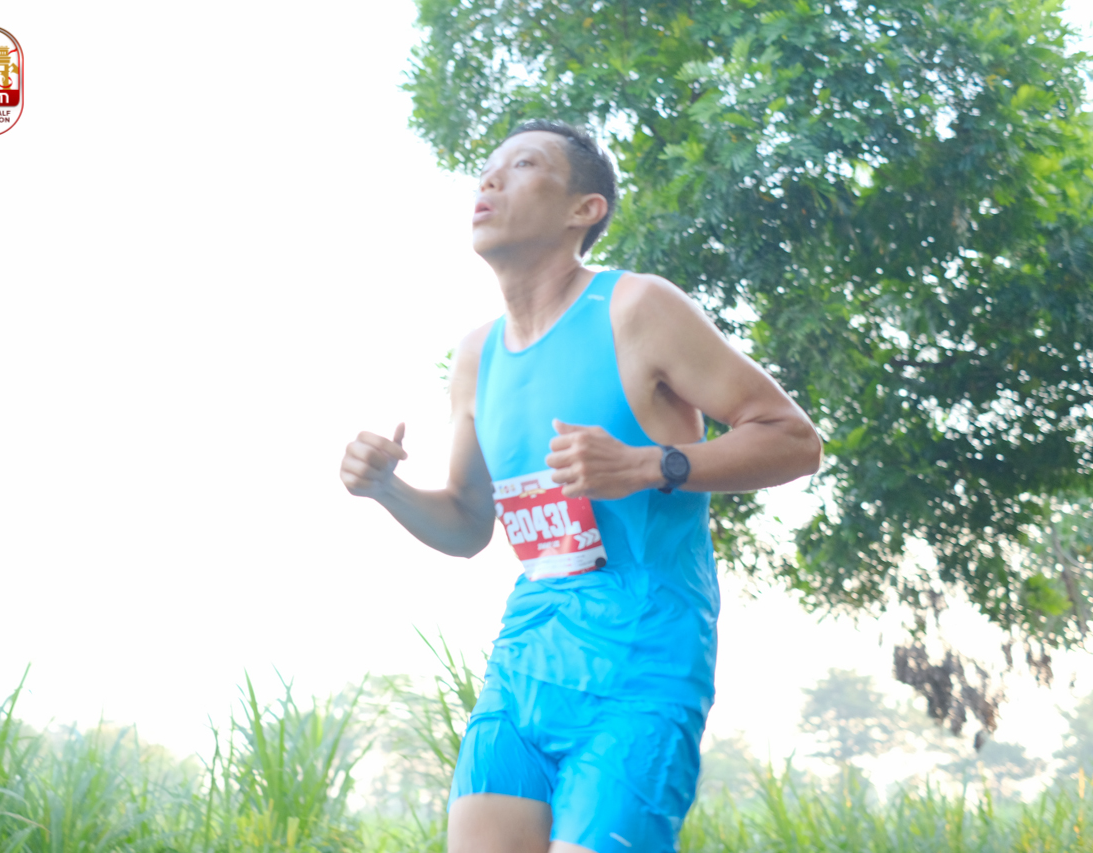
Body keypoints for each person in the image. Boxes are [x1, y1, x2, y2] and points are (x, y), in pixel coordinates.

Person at [340, 119, 821, 853]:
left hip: (642, 666)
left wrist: (651, 464)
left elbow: (793, 439)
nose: (489, 180)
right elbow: (468, 523)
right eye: (488, 167)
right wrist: (388, 489)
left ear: (583, 209)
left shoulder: (635, 308)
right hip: (524, 667)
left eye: (523, 165)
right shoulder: (474, 355)